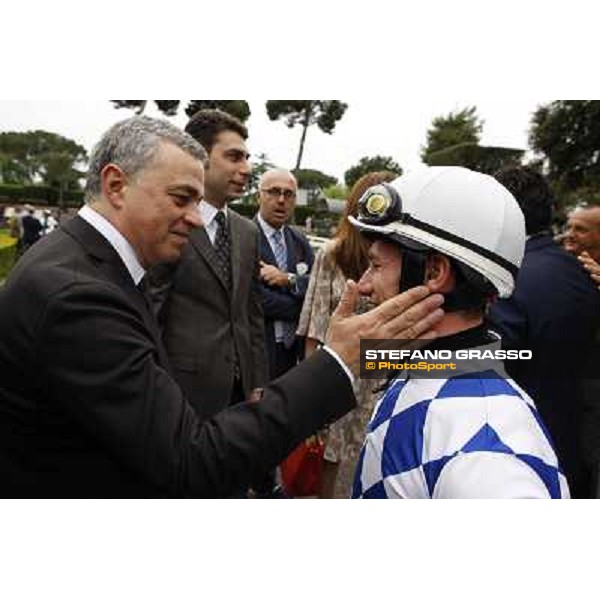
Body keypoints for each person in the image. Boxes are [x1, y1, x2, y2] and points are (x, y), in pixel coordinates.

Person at [0, 115, 445, 498]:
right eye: (180, 199)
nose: (195, 218)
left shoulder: (84, 265)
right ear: (115, 185)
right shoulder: (77, 295)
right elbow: (189, 462)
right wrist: (338, 362)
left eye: (197, 201)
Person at [350, 166, 569, 499]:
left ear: (434, 271)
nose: (364, 285)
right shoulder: (427, 369)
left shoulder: (486, 450)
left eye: (376, 265)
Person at [487, 167, 600, 497]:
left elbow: (489, 362)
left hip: (519, 456)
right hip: (574, 450)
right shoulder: (583, 272)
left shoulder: (508, 280)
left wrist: (386, 356)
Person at [150, 109, 267, 423]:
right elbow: (152, 311)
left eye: (246, 158)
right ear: (200, 157)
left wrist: (257, 382)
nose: (246, 169)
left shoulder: (247, 231)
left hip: (240, 395)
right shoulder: (171, 221)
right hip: (180, 391)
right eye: (234, 157)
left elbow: (252, 314)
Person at [297, 171, 397, 498]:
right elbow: (314, 332)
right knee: (332, 484)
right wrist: (311, 402)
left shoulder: (407, 260)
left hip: (385, 388)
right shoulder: (332, 254)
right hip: (339, 389)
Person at [254, 168, 314, 379]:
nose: (281, 200)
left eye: (288, 194)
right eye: (273, 192)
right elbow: (253, 299)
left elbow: (316, 288)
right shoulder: (245, 236)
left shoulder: (299, 241)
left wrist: (288, 280)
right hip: (257, 353)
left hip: (293, 354)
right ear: (258, 195)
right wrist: (302, 309)